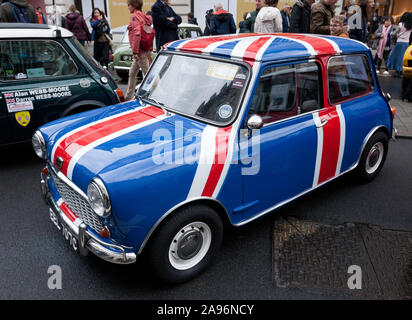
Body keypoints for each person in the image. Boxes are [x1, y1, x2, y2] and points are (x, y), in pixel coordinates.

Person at [125, 0, 153, 101]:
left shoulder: (134, 16)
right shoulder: (142, 15)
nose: (128, 7)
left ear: (133, 6)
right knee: (132, 73)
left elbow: (137, 34)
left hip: (140, 51)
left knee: (148, 74)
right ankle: (128, 97)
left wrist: (135, 51)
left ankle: (158, 93)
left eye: (128, 5)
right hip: (144, 49)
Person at [387, 12, 412, 77]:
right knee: (402, 57)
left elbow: (394, 33)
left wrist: (392, 34)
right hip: (406, 43)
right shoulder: (411, 26)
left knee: (396, 56)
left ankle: (397, 71)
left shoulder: (401, 24)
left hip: (399, 43)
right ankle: (400, 71)